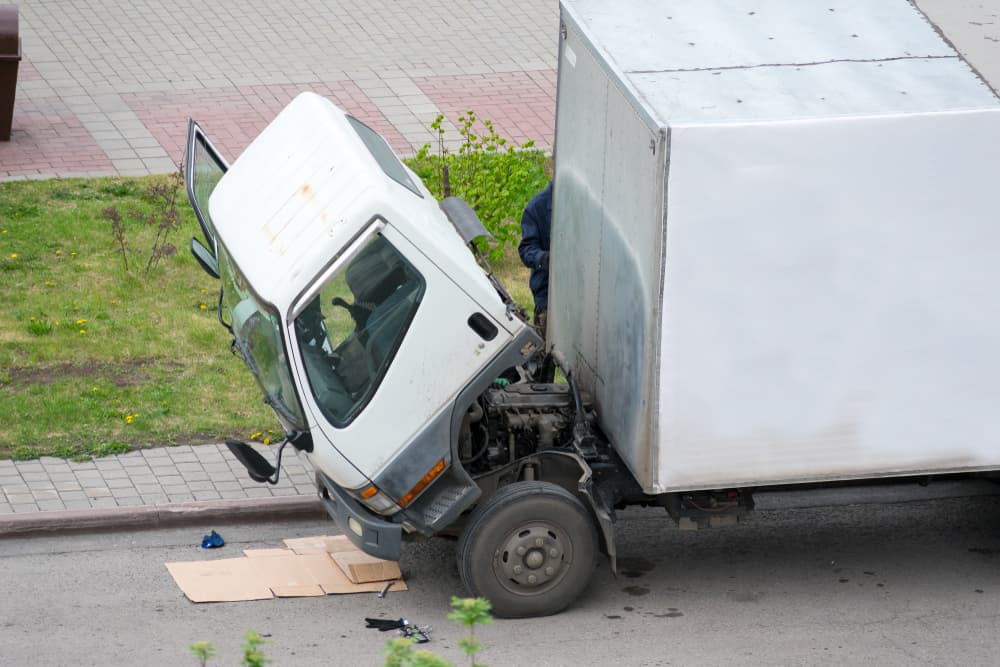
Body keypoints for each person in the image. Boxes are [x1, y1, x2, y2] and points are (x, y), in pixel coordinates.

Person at [518, 180, 553, 336]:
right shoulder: (536, 207)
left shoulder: (585, 203)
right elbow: (526, 249)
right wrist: (543, 258)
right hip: (547, 299)